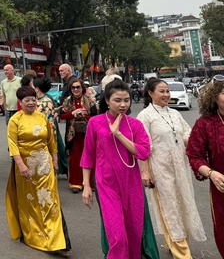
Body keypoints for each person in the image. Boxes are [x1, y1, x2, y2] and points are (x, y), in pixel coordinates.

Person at [81, 79, 152, 259]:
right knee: (118, 237)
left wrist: (118, 134)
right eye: (117, 100)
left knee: (134, 234)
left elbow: (144, 152)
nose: (123, 104)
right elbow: (88, 155)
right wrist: (86, 186)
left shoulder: (135, 124)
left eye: (126, 100)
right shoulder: (95, 123)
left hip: (132, 183)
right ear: (107, 100)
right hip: (107, 183)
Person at [137, 78, 206, 258]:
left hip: (179, 166)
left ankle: (175, 242)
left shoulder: (175, 113)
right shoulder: (145, 116)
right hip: (159, 168)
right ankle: (182, 253)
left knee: (182, 203)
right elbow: (144, 146)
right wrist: (145, 172)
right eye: (162, 91)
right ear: (151, 93)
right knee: (169, 207)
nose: (166, 95)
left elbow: (187, 132)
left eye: (167, 91)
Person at [5, 86, 72, 256]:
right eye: (27, 100)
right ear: (20, 102)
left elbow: (51, 140)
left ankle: (58, 242)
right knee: (30, 204)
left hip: (45, 167)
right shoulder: (15, 120)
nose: (31, 103)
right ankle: (32, 235)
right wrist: (21, 166)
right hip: (26, 169)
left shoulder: (42, 117)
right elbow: (13, 146)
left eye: (33, 99)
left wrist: (55, 160)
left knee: (50, 201)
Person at [186, 77, 224, 257]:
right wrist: (211, 173)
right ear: (214, 97)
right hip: (221, 188)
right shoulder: (205, 124)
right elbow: (194, 155)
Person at [60, 77, 95, 192]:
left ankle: (90, 183)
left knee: (89, 156)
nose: (75, 89)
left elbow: (96, 118)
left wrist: (84, 115)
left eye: (78, 87)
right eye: (73, 87)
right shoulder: (67, 101)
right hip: (73, 133)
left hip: (88, 133)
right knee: (74, 158)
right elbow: (62, 116)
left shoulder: (90, 100)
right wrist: (72, 113)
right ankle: (76, 183)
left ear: (82, 88)